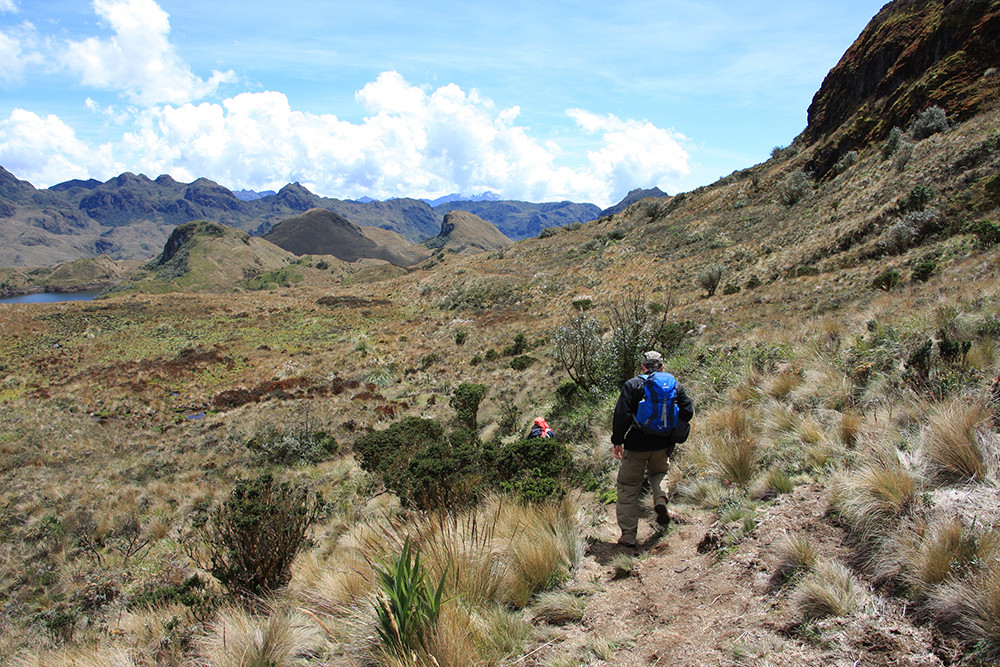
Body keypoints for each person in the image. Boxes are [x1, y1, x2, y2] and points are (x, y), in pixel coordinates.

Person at [611, 350, 694, 547]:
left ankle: (629, 536)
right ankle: (660, 500)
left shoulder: (633, 385)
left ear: (643, 367)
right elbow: (688, 411)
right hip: (662, 445)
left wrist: (617, 441)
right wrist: (672, 431)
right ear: (662, 367)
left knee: (629, 488)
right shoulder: (675, 386)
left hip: (636, 446)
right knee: (659, 473)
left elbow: (621, 416)